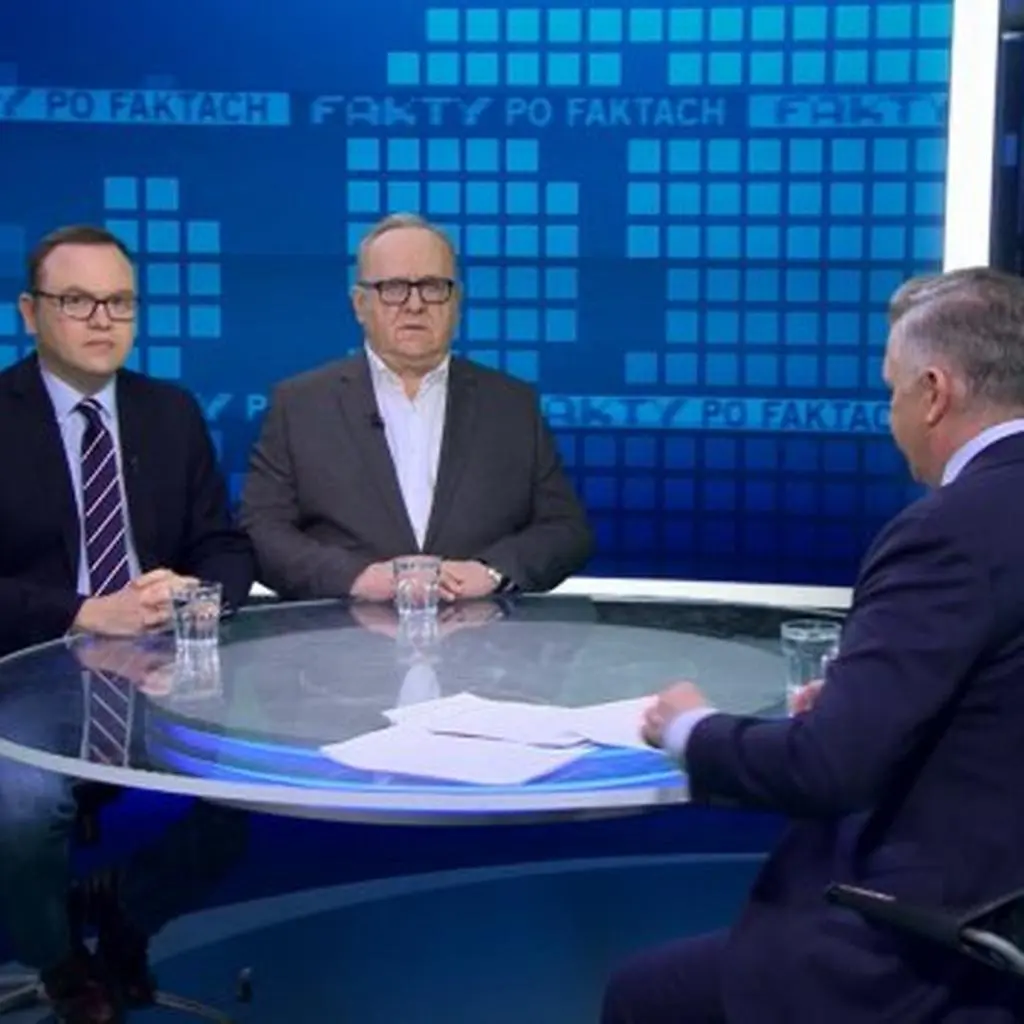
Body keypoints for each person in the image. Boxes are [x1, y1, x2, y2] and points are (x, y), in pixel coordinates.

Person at [604, 267, 1024, 1023]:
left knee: (645, 996)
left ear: (934, 392)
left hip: (943, 943)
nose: (891, 415)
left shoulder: (947, 533)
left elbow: (827, 769)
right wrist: (882, 703)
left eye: (892, 391)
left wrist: (690, 728)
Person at [0, 224, 254, 1022]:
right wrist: (82, 611)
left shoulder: (169, 413)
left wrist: (190, 599)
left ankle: (123, 915)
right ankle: (60, 962)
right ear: (30, 312)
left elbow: (224, 545)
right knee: (19, 807)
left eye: (119, 302)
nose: (102, 319)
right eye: (78, 301)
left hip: (161, 665)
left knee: (253, 771)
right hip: (27, 672)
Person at [240, 212, 592, 603]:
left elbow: (566, 530)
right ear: (360, 304)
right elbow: (261, 530)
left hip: (482, 634)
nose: (414, 304)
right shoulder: (300, 405)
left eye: (432, 286)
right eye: (393, 288)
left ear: (456, 301)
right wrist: (356, 578)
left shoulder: (512, 405)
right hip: (342, 632)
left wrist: (491, 571)